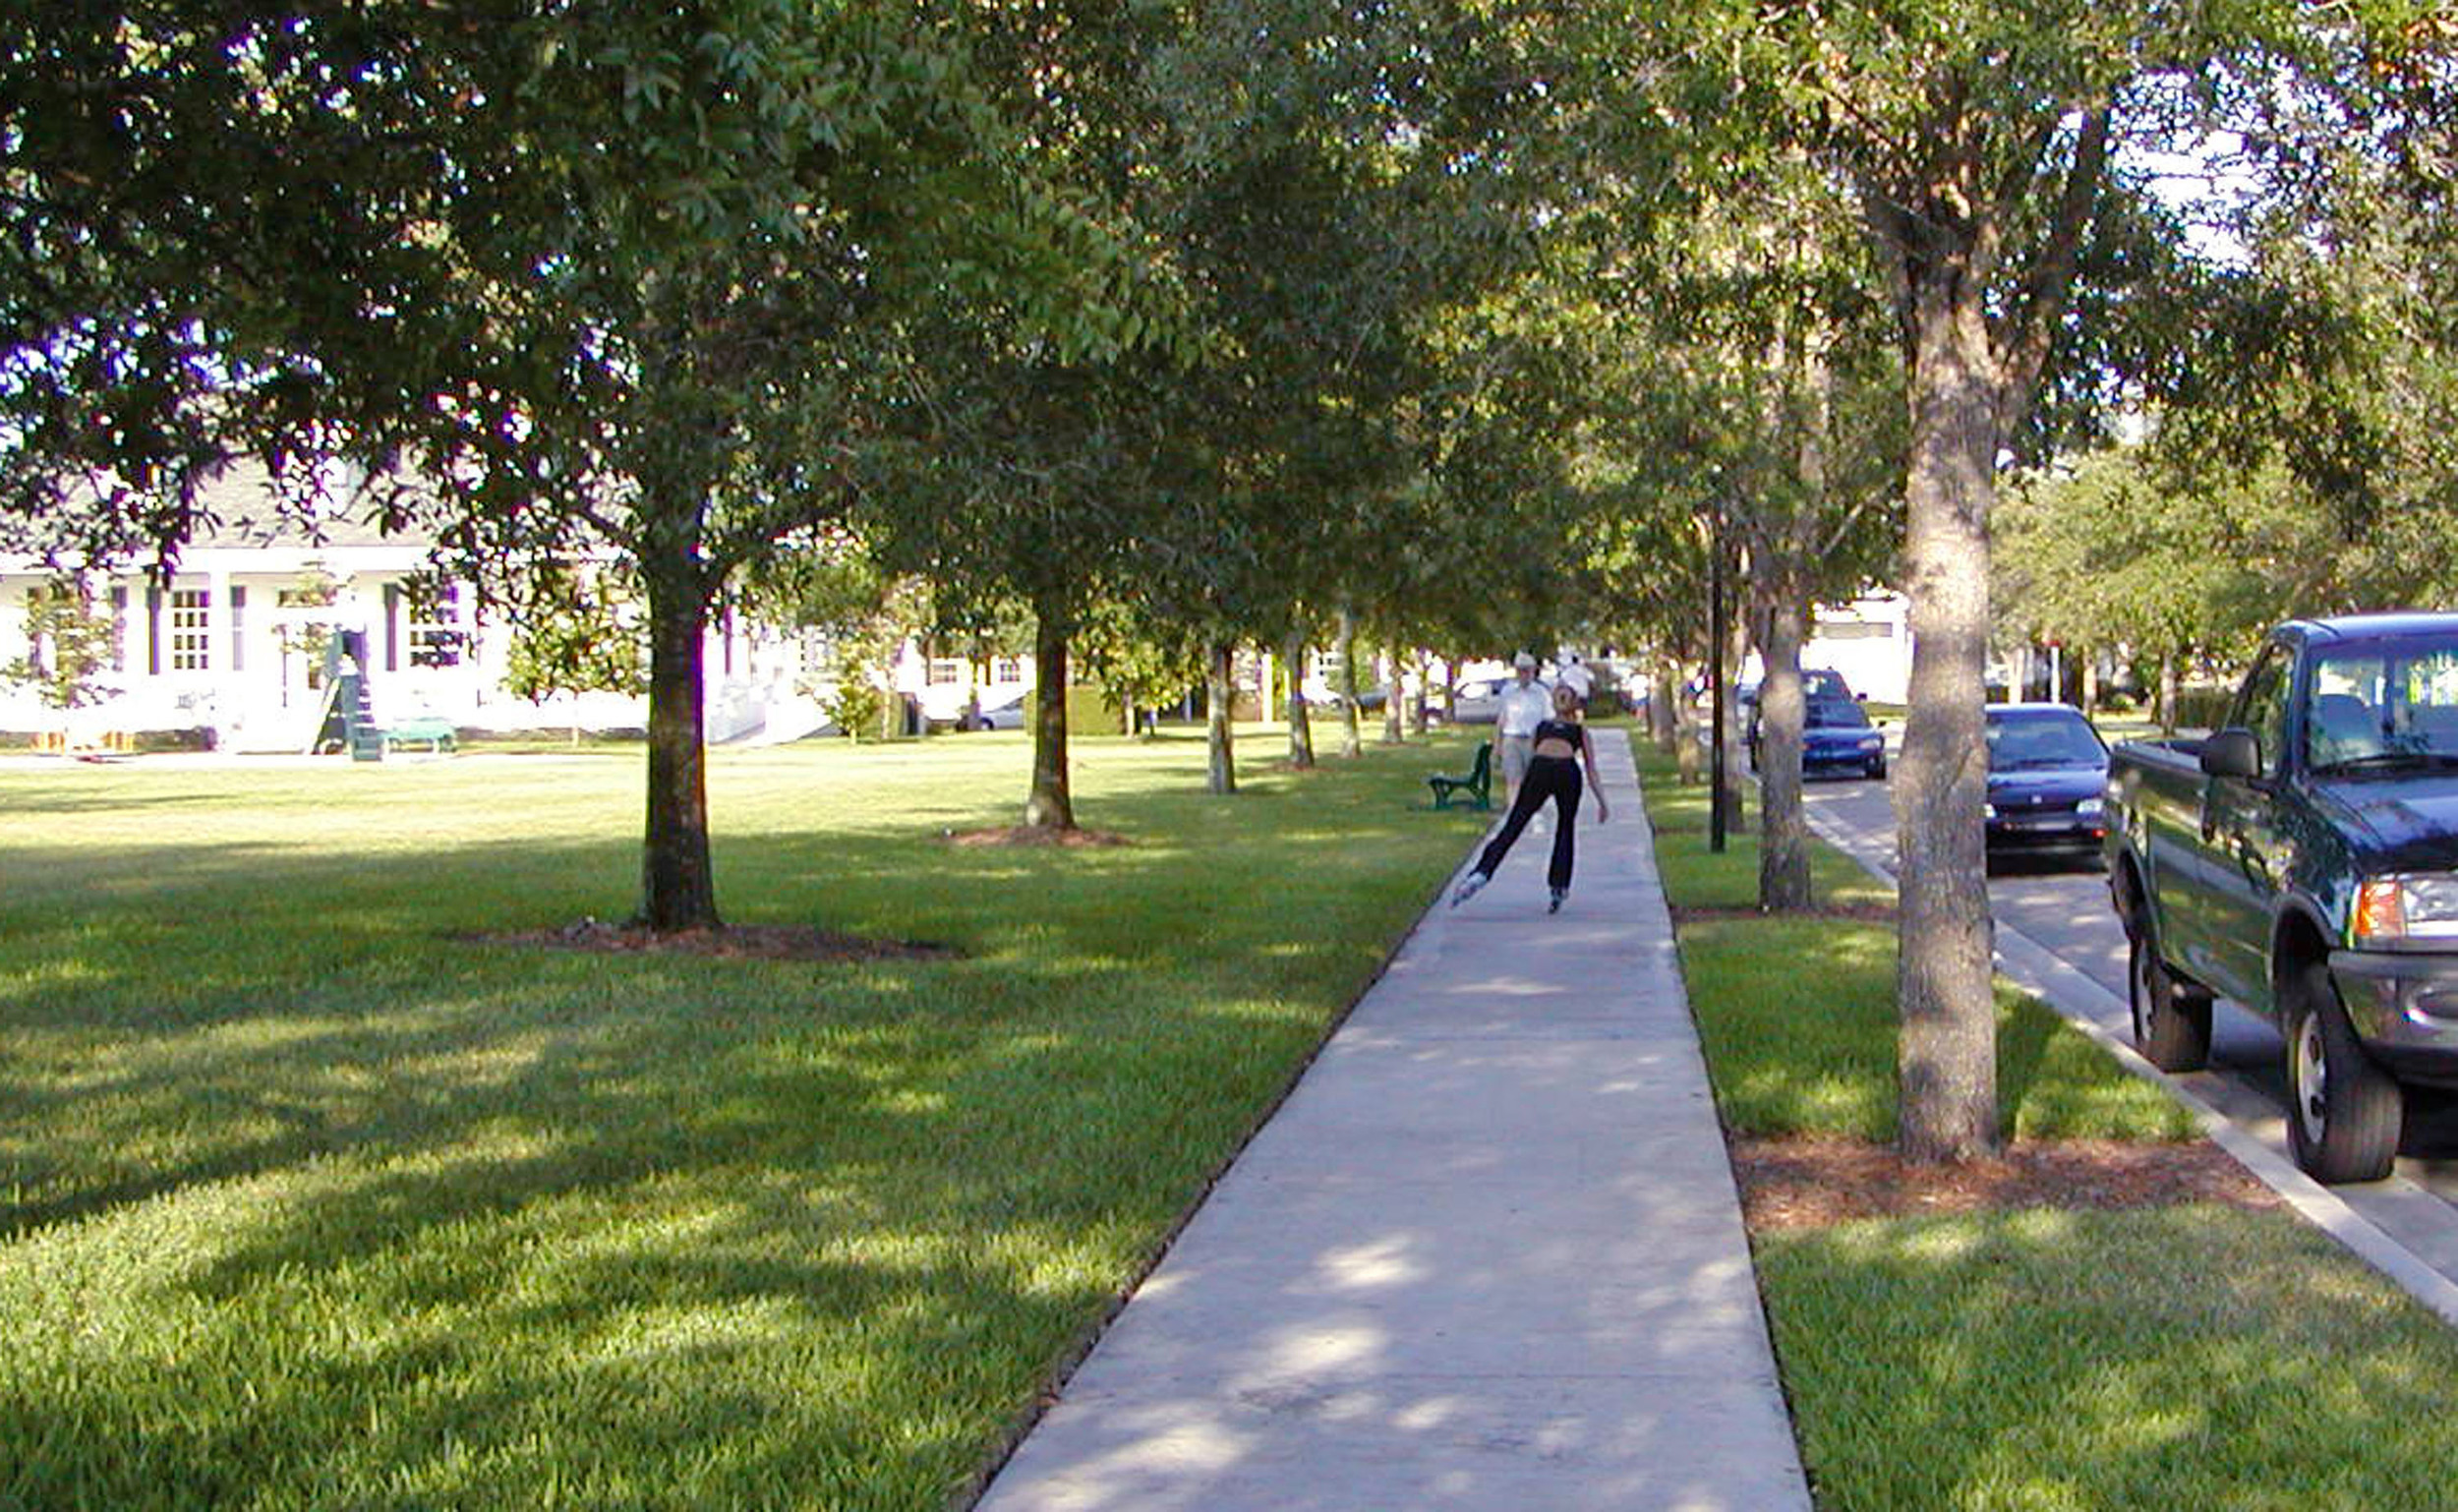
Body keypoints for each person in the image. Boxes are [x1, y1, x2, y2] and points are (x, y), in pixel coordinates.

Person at [1452, 681, 1609, 913]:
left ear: (1574, 702)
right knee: (1515, 822)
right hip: (1540, 771)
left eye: (1566, 695)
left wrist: (1602, 801)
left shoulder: (1579, 730)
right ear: (1553, 701)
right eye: (1558, 694)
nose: (1561, 698)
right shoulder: (1542, 726)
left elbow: (1591, 767)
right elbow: (1532, 756)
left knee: (1565, 828)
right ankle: (1481, 873)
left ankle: (1559, 884)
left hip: (1567, 773)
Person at [1493, 652, 1552, 801]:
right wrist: (1498, 744)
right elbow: (1502, 719)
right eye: (1520, 670)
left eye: (1527, 670)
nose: (1524, 674)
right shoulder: (1508, 692)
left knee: (1533, 780)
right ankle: (1513, 810)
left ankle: (1532, 813)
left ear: (1533, 671)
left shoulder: (1541, 693)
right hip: (1512, 739)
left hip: (1534, 740)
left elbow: (1548, 719)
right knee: (1513, 779)